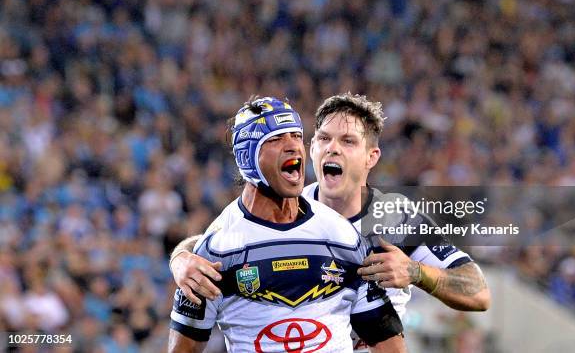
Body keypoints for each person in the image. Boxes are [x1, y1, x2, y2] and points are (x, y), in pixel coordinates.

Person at [170, 94, 490, 351]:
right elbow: (222, 244)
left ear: (371, 157)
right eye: (323, 138)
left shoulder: (396, 219)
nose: (333, 147)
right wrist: (181, 259)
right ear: (313, 150)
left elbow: (478, 292)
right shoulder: (289, 205)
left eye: (348, 141)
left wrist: (417, 273)